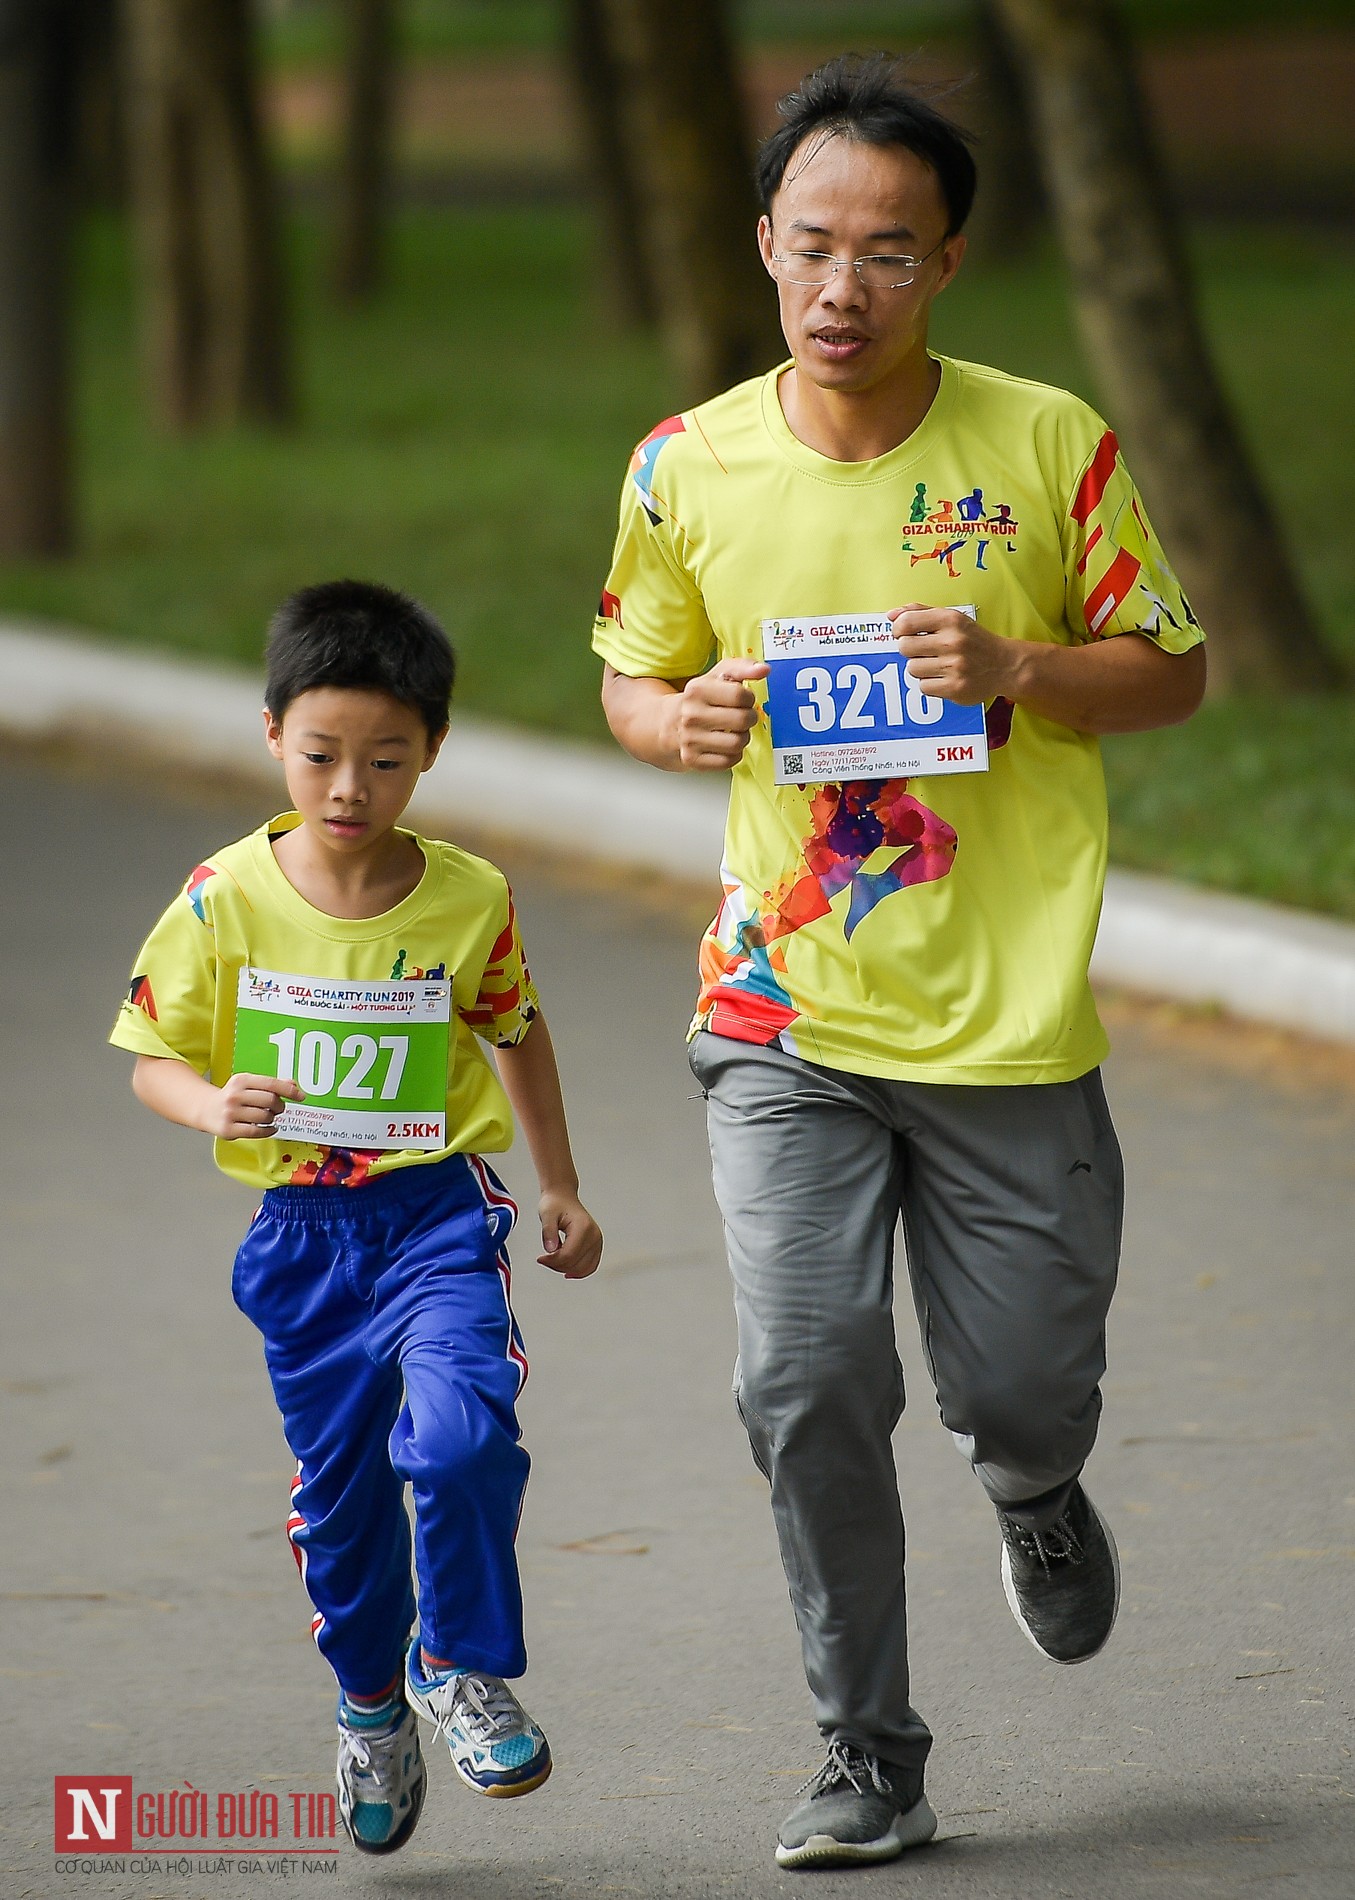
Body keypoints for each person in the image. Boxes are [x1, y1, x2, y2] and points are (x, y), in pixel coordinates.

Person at [593, 55, 1204, 1872]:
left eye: (886, 251)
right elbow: (633, 669)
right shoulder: (684, 462)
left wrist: (1018, 669)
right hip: (783, 1007)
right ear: (762, 246)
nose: (840, 286)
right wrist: (669, 719)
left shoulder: (1045, 443)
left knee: (1012, 1386)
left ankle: (1031, 1486)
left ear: (945, 265)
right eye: (810, 247)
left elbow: (1170, 670)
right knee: (804, 1377)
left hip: (1007, 1020)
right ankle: (869, 1750)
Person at [110, 580, 602, 1856]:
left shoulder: (465, 897)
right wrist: (210, 1102)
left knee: (456, 1440)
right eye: (323, 754)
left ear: (430, 751)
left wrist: (555, 1184)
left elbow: (516, 1027)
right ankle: (372, 1702)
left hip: (437, 1217)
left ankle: (458, 1664)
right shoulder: (222, 897)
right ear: (272, 732)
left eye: (386, 760)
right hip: (302, 1242)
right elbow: (149, 1056)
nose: (350, 786)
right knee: (343, 1510)